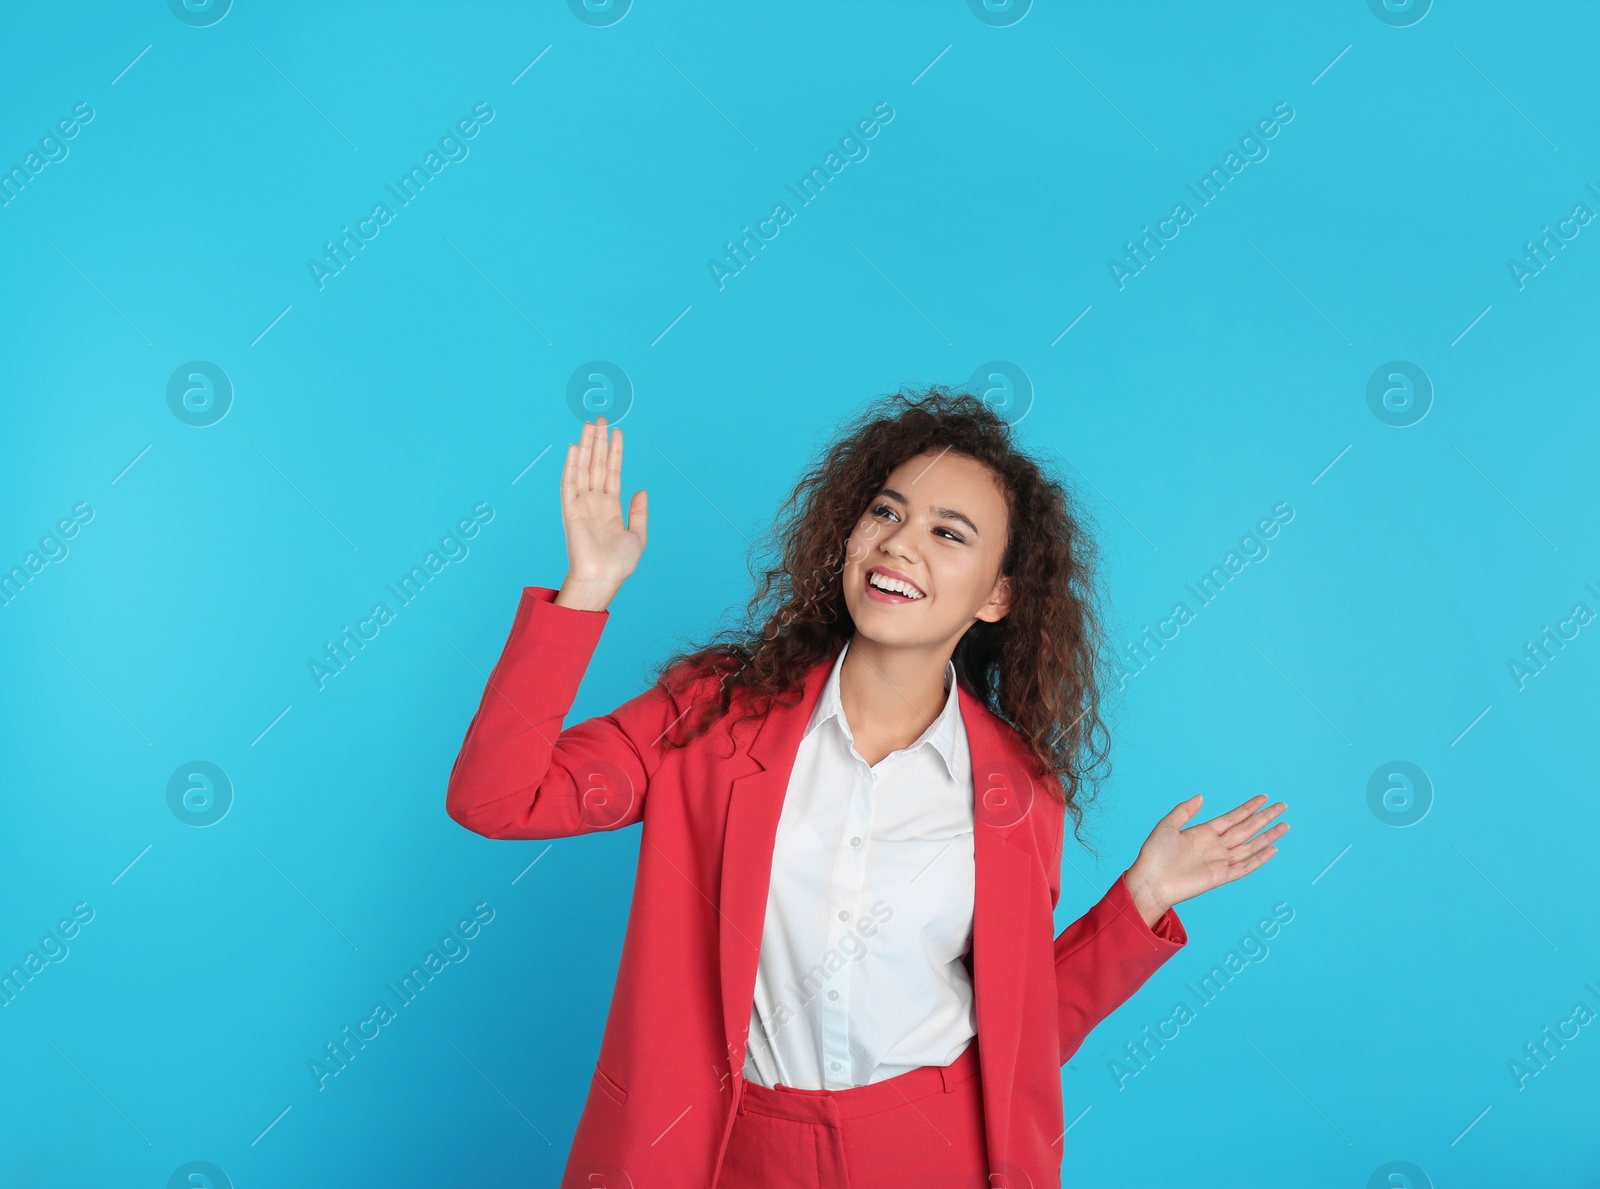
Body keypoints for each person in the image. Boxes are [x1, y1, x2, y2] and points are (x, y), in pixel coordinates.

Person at [446, 390, 1289, 1189]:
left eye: (949, 532)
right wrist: (585, 591)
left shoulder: (1020, 793)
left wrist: (1142, 898)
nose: (900, 543)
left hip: (934, 1147)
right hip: (731, 1145)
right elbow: (495, 798)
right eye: (886, 512)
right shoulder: (711, 712)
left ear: (998, 596)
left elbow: (1021, 1032)